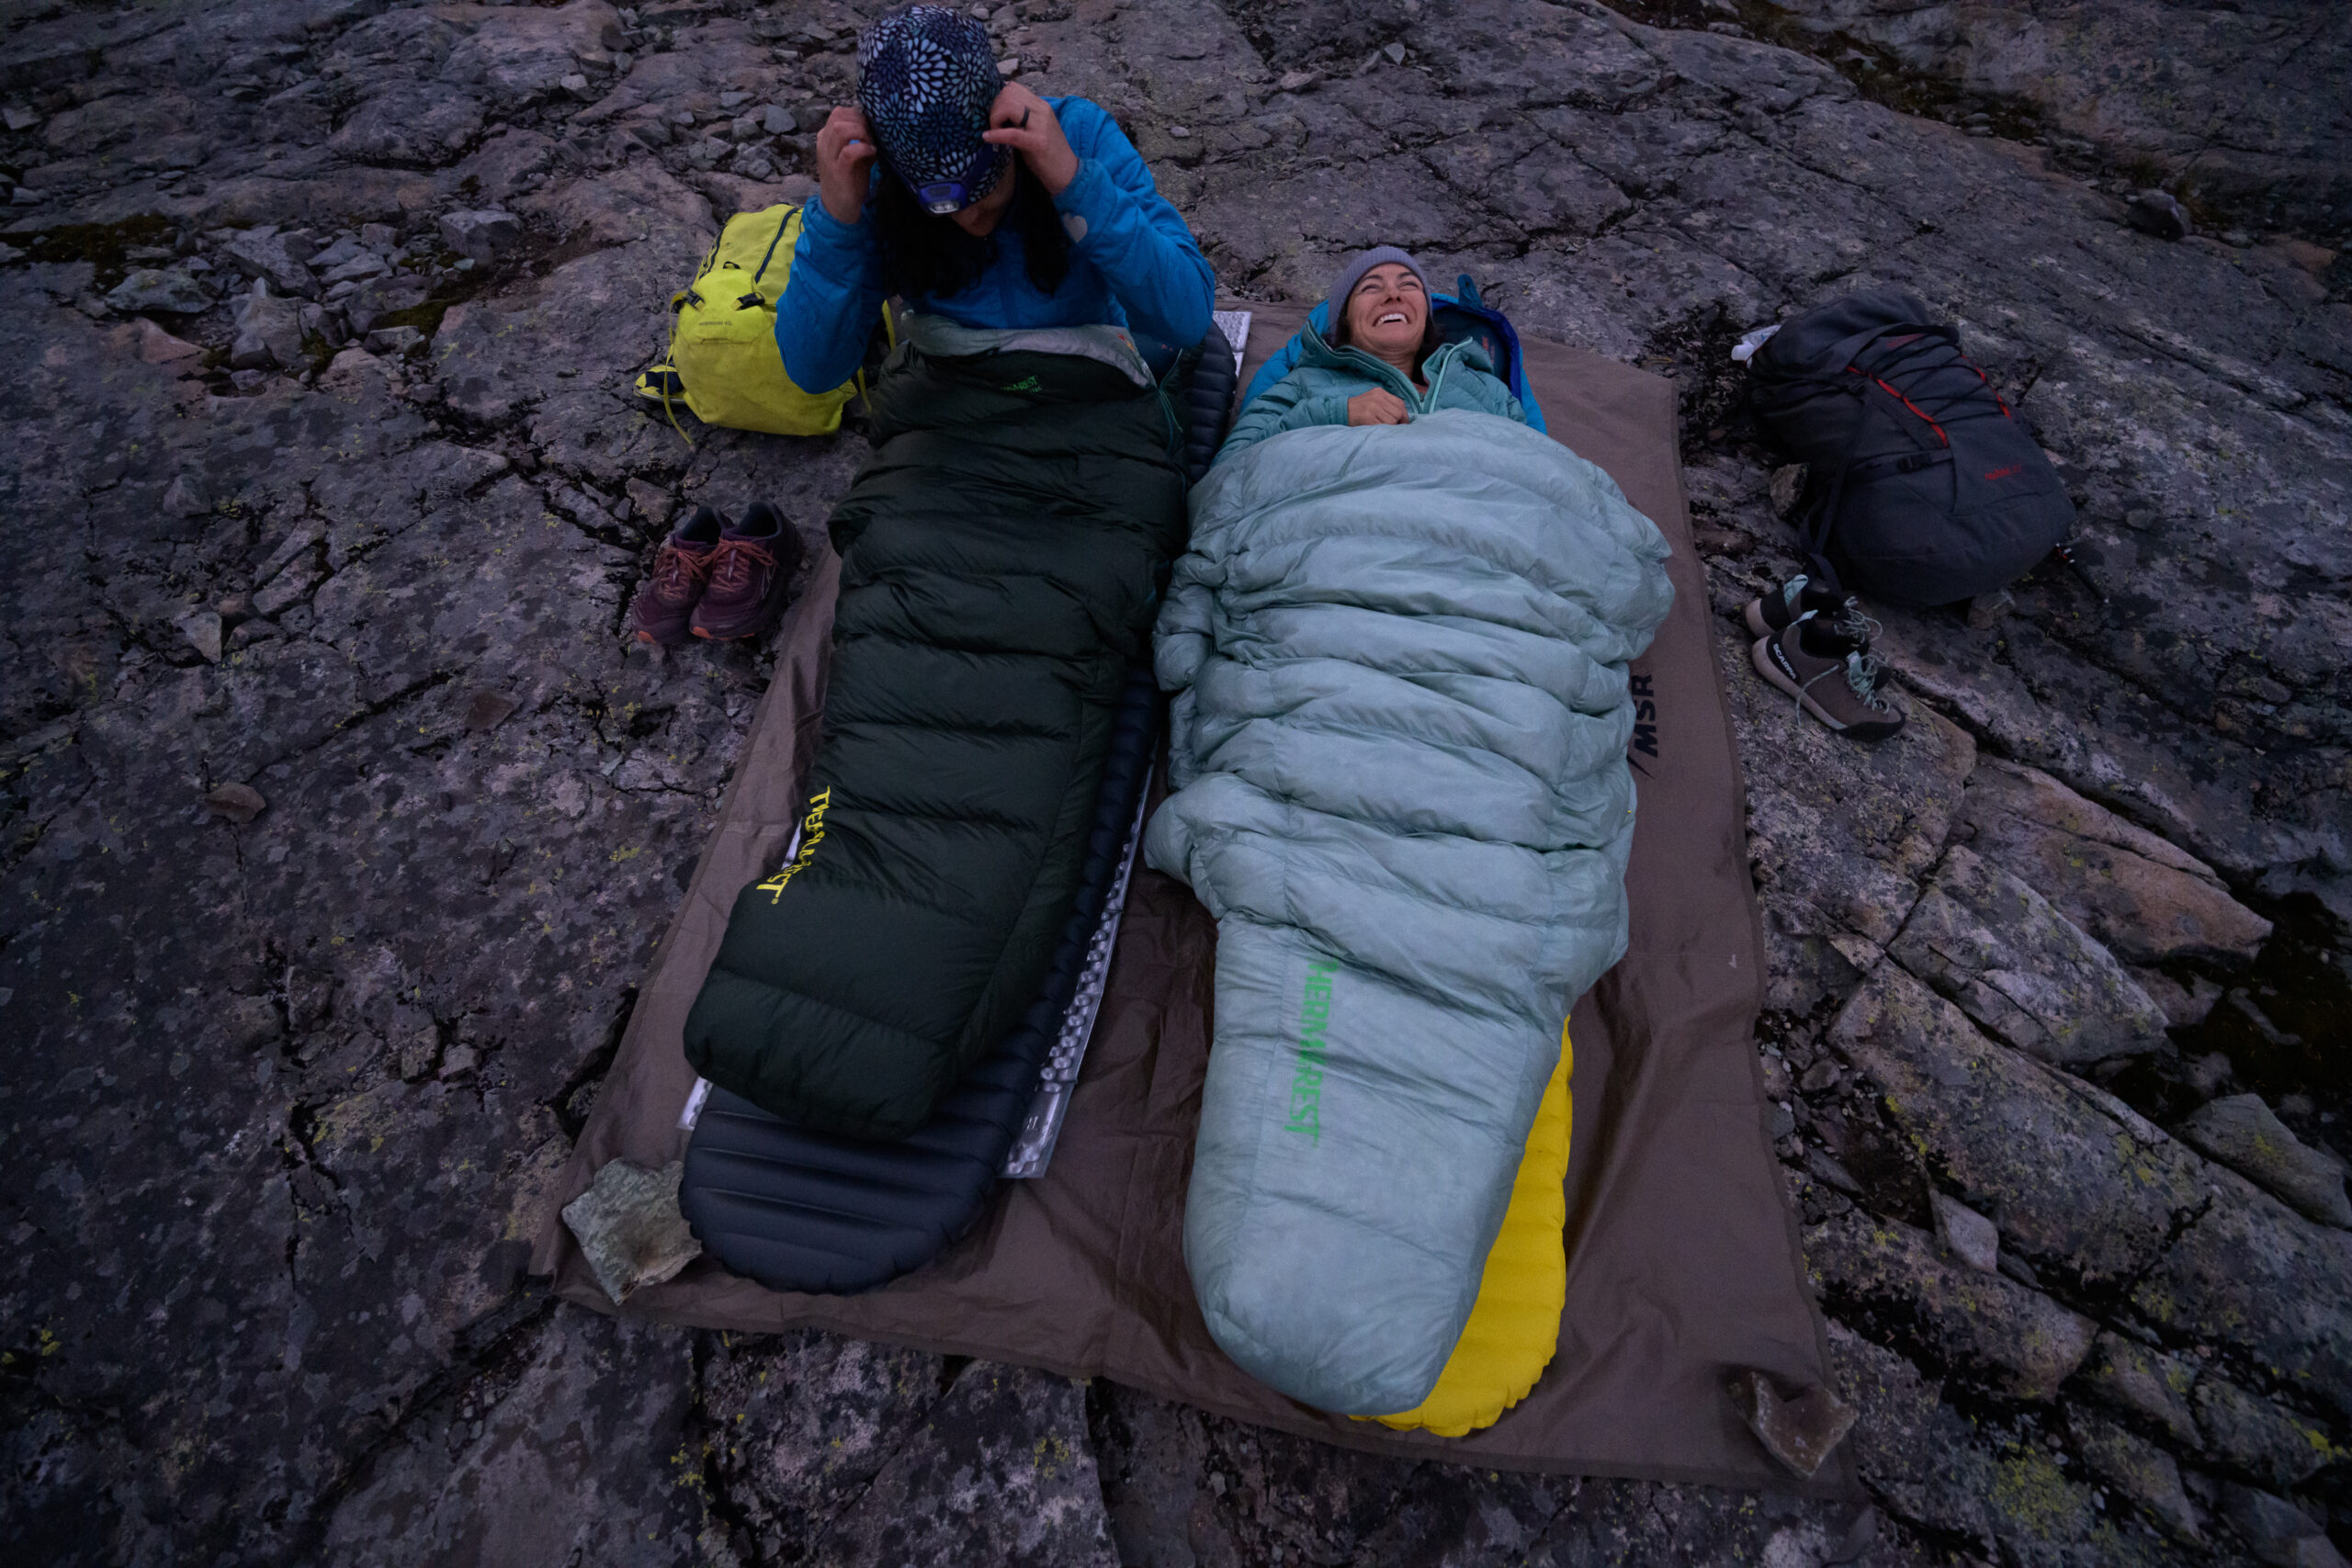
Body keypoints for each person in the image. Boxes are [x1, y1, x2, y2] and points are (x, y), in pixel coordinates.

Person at [775, 4, 1215, 393]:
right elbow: (814, 373)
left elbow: (1188, 318)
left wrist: (1075, 184)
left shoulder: (1078, 136)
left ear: (1005, 128)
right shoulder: (875, 180)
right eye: (939, 207)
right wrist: (835, 222)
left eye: (983, 189)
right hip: (963, 390)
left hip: (1086, 379)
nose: (970, 217)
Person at [1221, 246, 1527, 457]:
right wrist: (1338, 414)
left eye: (1409, 285)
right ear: (1344, 321)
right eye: (1370, 288)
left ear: (1426, 317)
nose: (1393, 294)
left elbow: (1539, 470)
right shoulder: (1303, 384)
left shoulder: (1487, 389)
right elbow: (1231, 469)